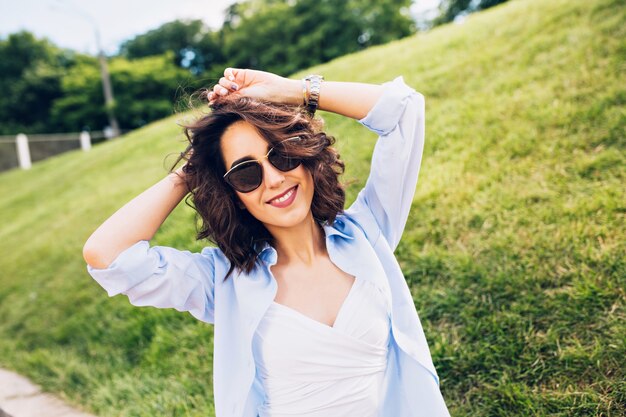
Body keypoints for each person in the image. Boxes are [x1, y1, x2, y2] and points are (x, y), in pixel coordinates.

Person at [83, 68, 450, 417]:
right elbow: (107, 256)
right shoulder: (223, 281)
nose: (274, 179)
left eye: (283, 155)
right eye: (246, 172)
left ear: (305, 156)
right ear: (232, 193)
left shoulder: (369, 232)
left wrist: (295, 91)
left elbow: (403, 110)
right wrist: (196, 166)